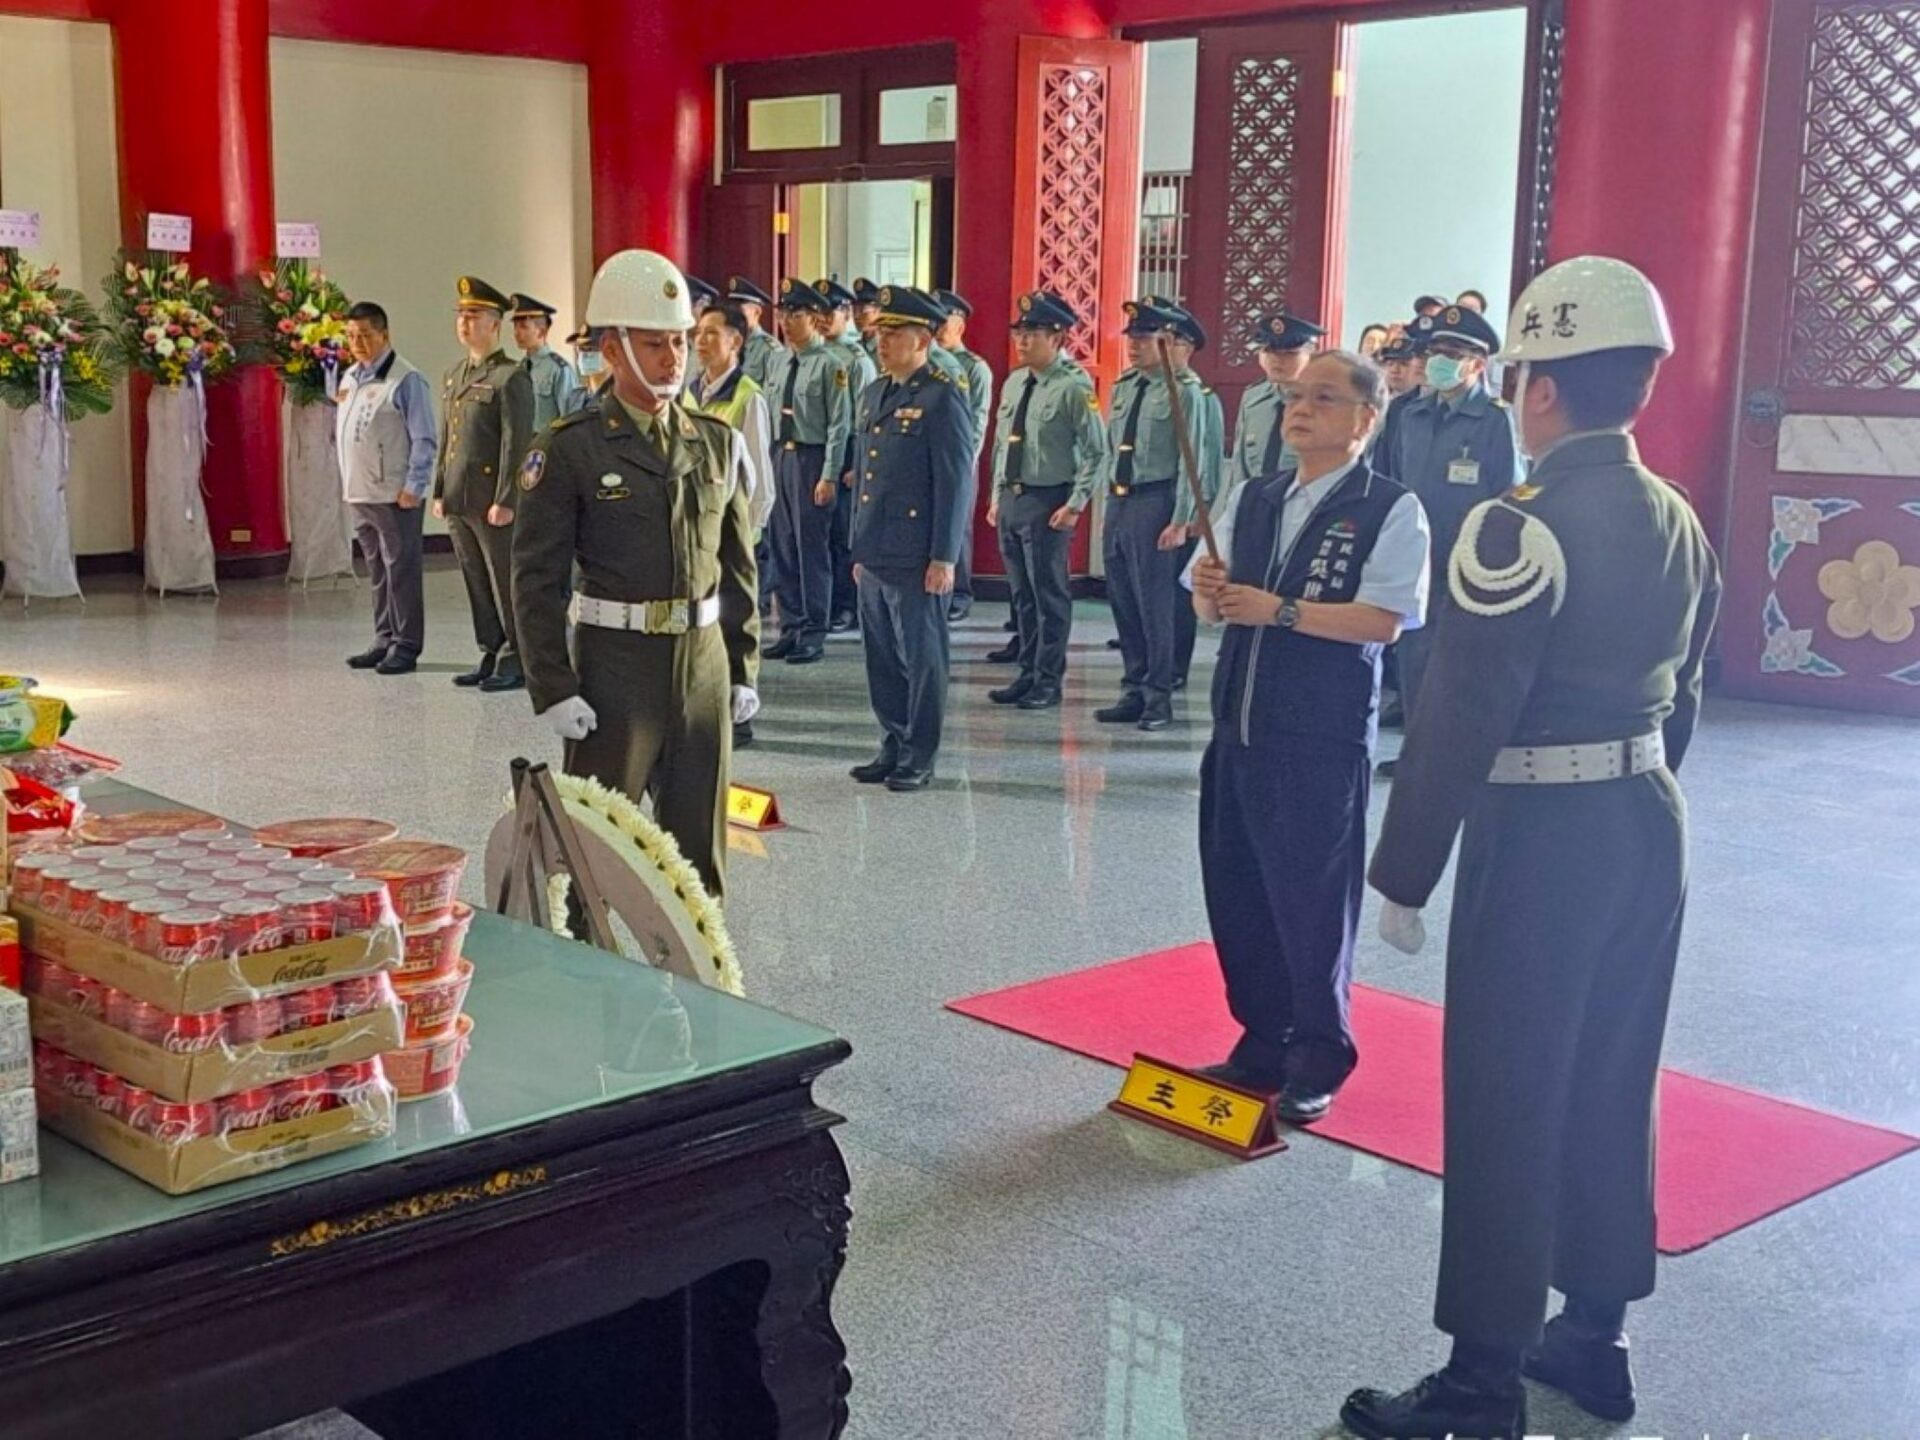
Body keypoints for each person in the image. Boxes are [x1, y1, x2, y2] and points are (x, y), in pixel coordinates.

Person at [1341, 259, 1721, 1440]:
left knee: (1508, 1093)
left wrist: (1405, 872)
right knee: (1614, 1075)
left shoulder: (1517, 530)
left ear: (1541, 392)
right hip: (1645, 821)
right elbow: (1688, 694)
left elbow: (1461, 712)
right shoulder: (1677, 515)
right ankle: (1593, 1335)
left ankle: (1480, 1380)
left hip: (1544, 835)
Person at [1188, 351, 1429, 1125]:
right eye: (1295, 396)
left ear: (1366, 418)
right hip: (1237, 728)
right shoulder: (1256, 496)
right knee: (1239, 893)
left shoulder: (1390, 508)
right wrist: (1210, 592)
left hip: (1319, 739)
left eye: (1324, 398)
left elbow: (1385, 621)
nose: (1300, 409)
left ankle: (1319, 1055)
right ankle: (1261, 1041)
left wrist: (1280, 611)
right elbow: (1208, 598)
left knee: (1312, 904)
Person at [511, 249, 760, 904]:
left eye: (679, 343)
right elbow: (535, 579)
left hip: (702, 667)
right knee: (595, 852)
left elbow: (737, 566)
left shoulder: (714, 440)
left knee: (699, 858)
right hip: (616, 670)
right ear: (611, 350)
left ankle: (701, 985)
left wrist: (742, 665)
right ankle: (591, 980)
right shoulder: (569, 447)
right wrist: (553, 686)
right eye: (655, 345)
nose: (674, 359)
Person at [1376, 303, 1519, 775]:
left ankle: (1458, 755)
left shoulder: (1496, 420)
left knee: (1460, 664)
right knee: (1415, 661)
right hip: (1415, 558)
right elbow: (1388, 480)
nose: (1439, 360)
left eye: (1453, 352)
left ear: (1477, 363)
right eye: (1435, 350)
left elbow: (1510, 497)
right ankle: (1419, 753)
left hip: (1468, 560)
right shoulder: (1407, 413)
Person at [848, 287, 971, 791]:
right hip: (875, 550)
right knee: (881, 656)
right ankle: (893, 741)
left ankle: (920, 752)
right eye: (880, 332)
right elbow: (866, 473)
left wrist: (944, 557)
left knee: (923, 658)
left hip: (918, 552)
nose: (882, 341)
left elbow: (956, 481)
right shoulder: (875, 392)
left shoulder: (943, 395)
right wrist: (859, 546)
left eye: (894, 333)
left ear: (922, 339)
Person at [984, 291, 1108, 710]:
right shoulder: (1016, 381)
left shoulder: (1074, 388)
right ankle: (1027, 669)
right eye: (1020, 332)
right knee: (1021, 595)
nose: (1022, 341)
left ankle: (1048, 679)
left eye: (1033, 333)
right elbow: (1002, 444)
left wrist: (1075, 504)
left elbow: (1096, 451)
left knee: (1048, 596)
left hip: (1049, 501)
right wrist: (997, 493)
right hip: (1014, 497)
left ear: (1057, 338)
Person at [1095, 299, 1206, 733]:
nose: (1135, 346)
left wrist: (1182, 518)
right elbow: (1110, 451)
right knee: (1123, 600)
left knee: (1156, 606)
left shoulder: (1187, 392)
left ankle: (1160, 697)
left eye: (1145, 338)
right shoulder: (1125, 387)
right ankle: (1133, 688)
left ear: (1173, 342)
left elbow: (1193, 462)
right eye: (1133, 338)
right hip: (1122, 503)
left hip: (1157, 503)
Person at [433, 276, 534, 693]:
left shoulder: (511, 378)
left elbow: (519, 445)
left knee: (504, 580)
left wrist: (508, 498)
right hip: (460, 497)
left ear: (494, 323)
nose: (463, 322)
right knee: (475, 579)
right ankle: (490, 648)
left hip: (493, 501)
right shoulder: (455, 375)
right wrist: (439, 489)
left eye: (473, 315)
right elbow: (449, 440)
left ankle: (517, 657)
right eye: (460, 315)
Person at [689, 301, 778, 748]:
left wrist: (750, 533)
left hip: (736, 533)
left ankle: (741, 712)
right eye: (697, 333)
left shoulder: (747, 395)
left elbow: (759, 476)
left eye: (711, 333)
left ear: (736, 341)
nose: (700, 341)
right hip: (700, 532)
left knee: (736, 620)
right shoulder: (690, 394)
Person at [339, 301, 438, 677]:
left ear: (384, 334)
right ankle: (383, 638)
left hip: (395, 494)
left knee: (402, 571)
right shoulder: (350, 377)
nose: (358, 342)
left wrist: (414, 485)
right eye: (351, 336)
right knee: (377, 571)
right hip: (360, 492)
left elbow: (425, 436)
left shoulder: (406, 379)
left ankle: (407, 644)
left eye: (365, 335)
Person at [761, 277, 853, 664]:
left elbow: (839, 426)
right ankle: (791, 626)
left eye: (794, 314)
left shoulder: (831, 367)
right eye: (782, 313)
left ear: (815, 318)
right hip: (781, 457)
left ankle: (814, 629)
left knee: (810, 550)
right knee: (782, 546)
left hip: (811, 460)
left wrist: (829, 474)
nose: (785, 320)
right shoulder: (779, 360)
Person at [1158, 305, 1225, 695]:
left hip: (1182, 505)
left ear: (1189, 349)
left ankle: (1175, 665)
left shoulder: (1200, 396)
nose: (1165, 348)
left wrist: (1200, 514)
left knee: (1176, 595)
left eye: (1174, 342)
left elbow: (1206, 458)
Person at [817, 277, 879, 633]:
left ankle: (847, 605)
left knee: (845, 535)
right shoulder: (817, 355)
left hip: (851, 452)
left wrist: (859, 464)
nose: (825, 319)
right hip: (821, 448)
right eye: (819, 312)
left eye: (832, 311)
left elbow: (866, 421)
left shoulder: (857, 360)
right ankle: (826, 604)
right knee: (822, 537)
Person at [933, 289, 994, 622]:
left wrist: (963, 464)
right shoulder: (926, 362)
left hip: (958, 460)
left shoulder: (974, 368)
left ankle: (960, 592)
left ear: (961, 324)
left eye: (945, 320)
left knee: (958, 527)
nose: (938, 327)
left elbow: (977, 421)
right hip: (927, 458)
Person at [1228, 313, 1324, 494]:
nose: (1277, 360)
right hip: (1256, 508)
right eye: (1269, 352)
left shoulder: (1324, 406)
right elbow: (1240, 469)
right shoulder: (1253, 400)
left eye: (1289, 354)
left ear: (1311, 356)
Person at [510, 293, 586, 432]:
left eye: (523, 327)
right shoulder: (519, 368)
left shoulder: (558, 369)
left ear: (541, 331)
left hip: (547, 446)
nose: (516, 333)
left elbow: (569, 418)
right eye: (515, 326)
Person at [727, 275, 779, 387]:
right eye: (732, 308)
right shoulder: (726, 344)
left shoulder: (769, 350)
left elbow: (773, 396)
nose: (734, 315)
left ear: (757, 312)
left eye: (740, 309)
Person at [851, 276, 882, 365]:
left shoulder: (886, 351)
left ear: (879, 311)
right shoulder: (853, 348)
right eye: (854, 310)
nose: (856, 316)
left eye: (862, 310)